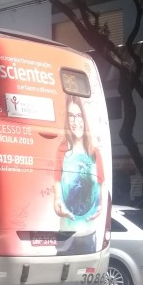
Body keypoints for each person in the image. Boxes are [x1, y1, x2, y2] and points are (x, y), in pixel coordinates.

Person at [53, 95, 105, 254]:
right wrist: (58, 206)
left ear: (85, 117)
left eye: (79, 115)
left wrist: (100, 207)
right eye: (71, 116)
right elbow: (56, 197)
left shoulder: (94, 153)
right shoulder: (62, 151)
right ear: (67, 121)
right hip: (65, 234)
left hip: (88, 235)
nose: (76, 121)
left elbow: (100, 189)